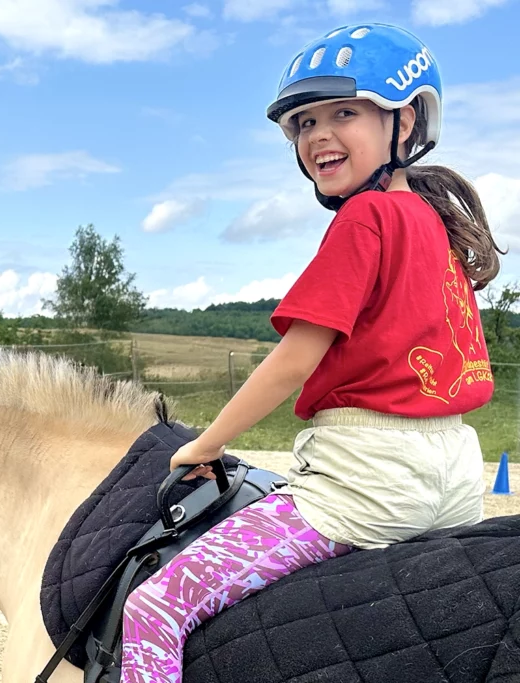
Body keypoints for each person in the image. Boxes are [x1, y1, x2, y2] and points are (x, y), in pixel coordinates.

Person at [120, 23, 504, 682]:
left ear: (404, 120)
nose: (318, 134)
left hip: (367, 486)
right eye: (303, 123)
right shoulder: (436, 226)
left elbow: (295, 361)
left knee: (154, 607)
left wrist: (205, 444)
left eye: (344, 112)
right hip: (458, 482)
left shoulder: (365, 219)